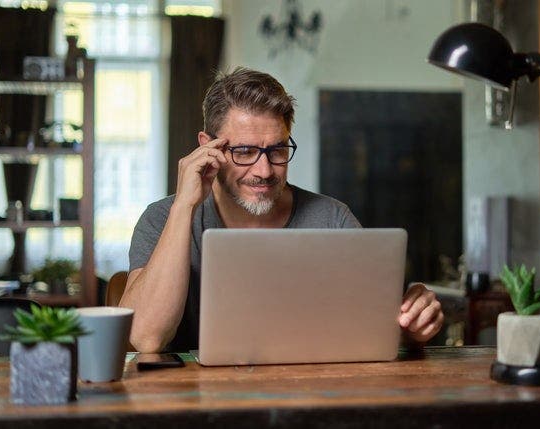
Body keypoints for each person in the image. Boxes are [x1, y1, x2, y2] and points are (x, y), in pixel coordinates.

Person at [121, 67, 444, 353]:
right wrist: (184, 206)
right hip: (193, 403)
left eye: (277, 150)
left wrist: (411, 326)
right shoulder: (163, 218)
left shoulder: (332, 219)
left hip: (306, 394)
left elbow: (375, 329)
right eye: (245, 151)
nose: (264, 170)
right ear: (208, 146)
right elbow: (147, 338)